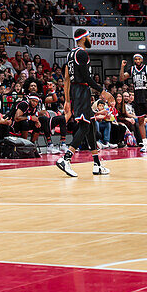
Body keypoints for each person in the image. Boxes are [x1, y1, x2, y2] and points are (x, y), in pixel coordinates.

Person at [56, 28, 110, 179]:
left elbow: (67, 78)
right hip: (81, 90)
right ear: (83, 38)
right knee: (85, 126)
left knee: (91, 124)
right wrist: (102, 91)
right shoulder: (82, 53)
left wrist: (67, 99)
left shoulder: (70, 54)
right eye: (89, 37)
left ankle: (97, 164)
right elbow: (87, 77)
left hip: (76, 91)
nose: (91, 39)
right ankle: (66, 158)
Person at [120, 54, 147, 155]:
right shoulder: (132, 69)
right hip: (138, 99)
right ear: (134, 61)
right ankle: (145, 144)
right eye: (136, 59)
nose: (137, 60)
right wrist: (122, 67)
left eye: (139, 59)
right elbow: (121, 78)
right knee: (141, 121)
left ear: (142, 60)